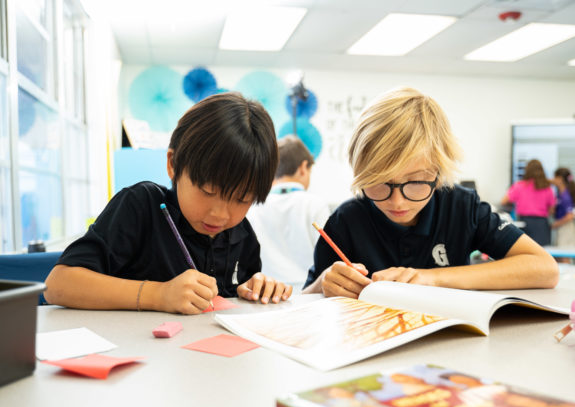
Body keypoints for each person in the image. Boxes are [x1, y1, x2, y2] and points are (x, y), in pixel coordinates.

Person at [45, 92, 293, 314]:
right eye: (207, 191)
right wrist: (159, 295)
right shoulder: (141, 206)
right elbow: (58, 285)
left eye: (242, 199)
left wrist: (257, 289)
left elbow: (236, 305)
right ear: (173, 165)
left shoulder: (242, 235)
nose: (220, 214)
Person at [303, 87, 558, 298]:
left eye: (414, 183)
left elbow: (545, 269)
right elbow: (304, 299)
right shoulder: (346, 220)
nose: (397, 201)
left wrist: (430, 277)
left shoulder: (462, 206)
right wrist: (324, 282)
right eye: (379, 182)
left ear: (438, 173)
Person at [247, 135, 330, 289]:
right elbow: (327, 258)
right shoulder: (314, 204)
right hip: (311, 290)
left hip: (266, 292)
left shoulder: (253, 206)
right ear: (303, 168)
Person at [501, 159, 555, 246]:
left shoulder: (519, 185)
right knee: (542, 252)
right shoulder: (547, 188)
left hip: (524, 223)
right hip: (542, 225)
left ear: (527, 170)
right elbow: (552, 210)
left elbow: (503, 201)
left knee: (524, 250)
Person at [551, 167, 575, 253]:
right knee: (560, 253)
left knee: (565, 253)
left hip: (566, 227)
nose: (553, 180)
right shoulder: (559, 194)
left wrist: (555, 224)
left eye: (555, 177)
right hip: (561, 227)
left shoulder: (566, 196)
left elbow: (570, 216)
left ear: (560, 179)